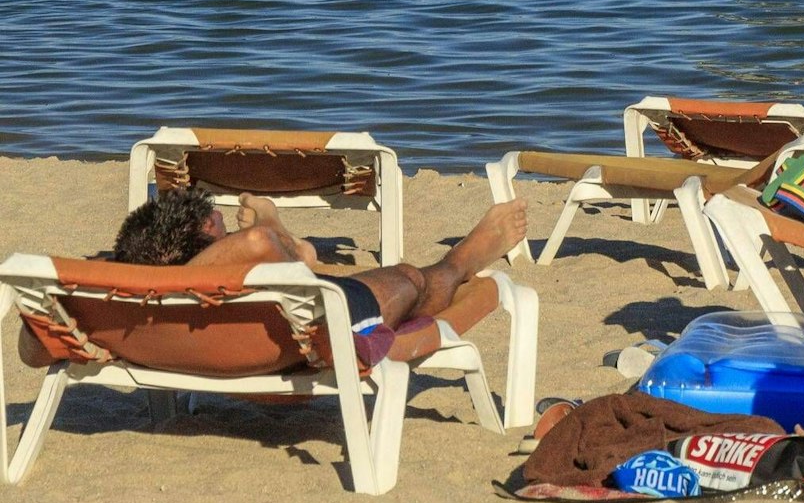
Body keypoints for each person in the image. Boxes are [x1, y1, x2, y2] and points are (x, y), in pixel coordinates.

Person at [41, 184, 530, 374]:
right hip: (287, 338)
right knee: (410, 279)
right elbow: (252, 249)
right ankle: (463, 258)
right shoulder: (229, 264)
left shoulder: (104, 299)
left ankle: (293, 252)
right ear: (210, 244)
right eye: (218, 227)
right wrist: (266, 242)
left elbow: (30, 350)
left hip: (182, 342)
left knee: (285, 260)